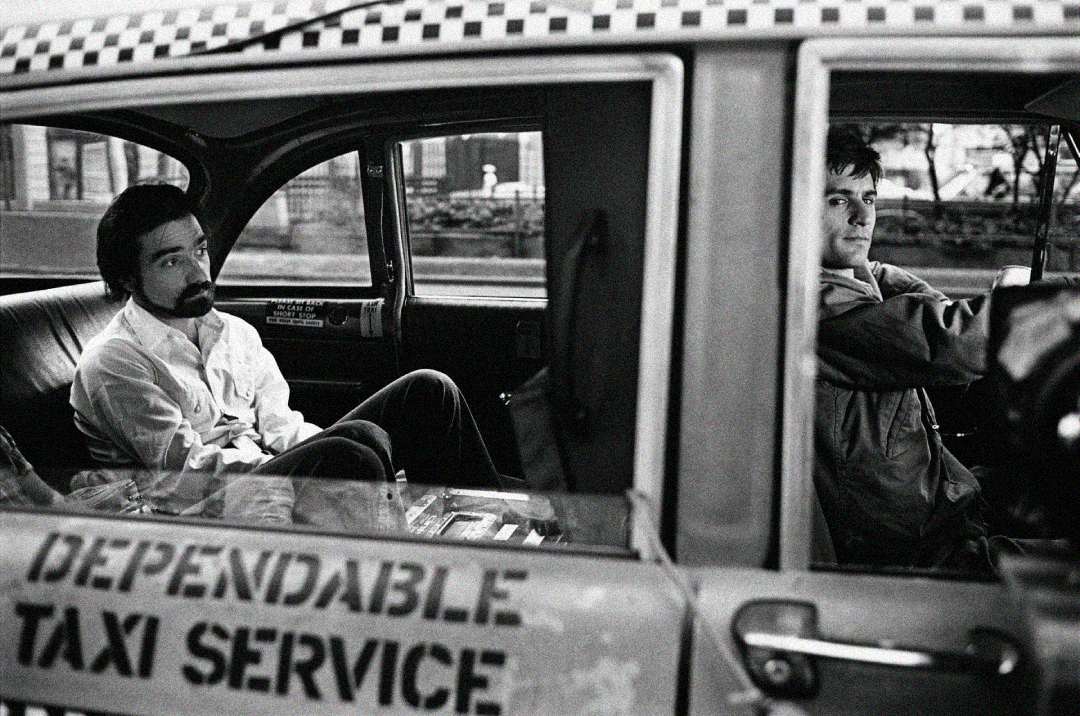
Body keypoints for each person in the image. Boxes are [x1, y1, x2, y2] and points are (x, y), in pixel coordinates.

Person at [70, 184, 504, 507]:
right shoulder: (116, 361)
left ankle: (491, 528)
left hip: (262, 473)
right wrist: (324, 458)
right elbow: (186, 472)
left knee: (428, 391)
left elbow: (282, 426)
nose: (198, 271)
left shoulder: (234, 332)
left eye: (199, 251)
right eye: (171, 261)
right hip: (202, 507)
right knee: (351, 452)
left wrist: (318, 449)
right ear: (127, 278)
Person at [813, 128, 1018, 572]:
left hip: (930, 505)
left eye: (869, 199)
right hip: (908, 543)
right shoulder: (822, 308)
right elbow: (953, 343)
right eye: (838, 200)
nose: (862, 217)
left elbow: (898, 285)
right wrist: (1050, 311)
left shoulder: (858, 282)